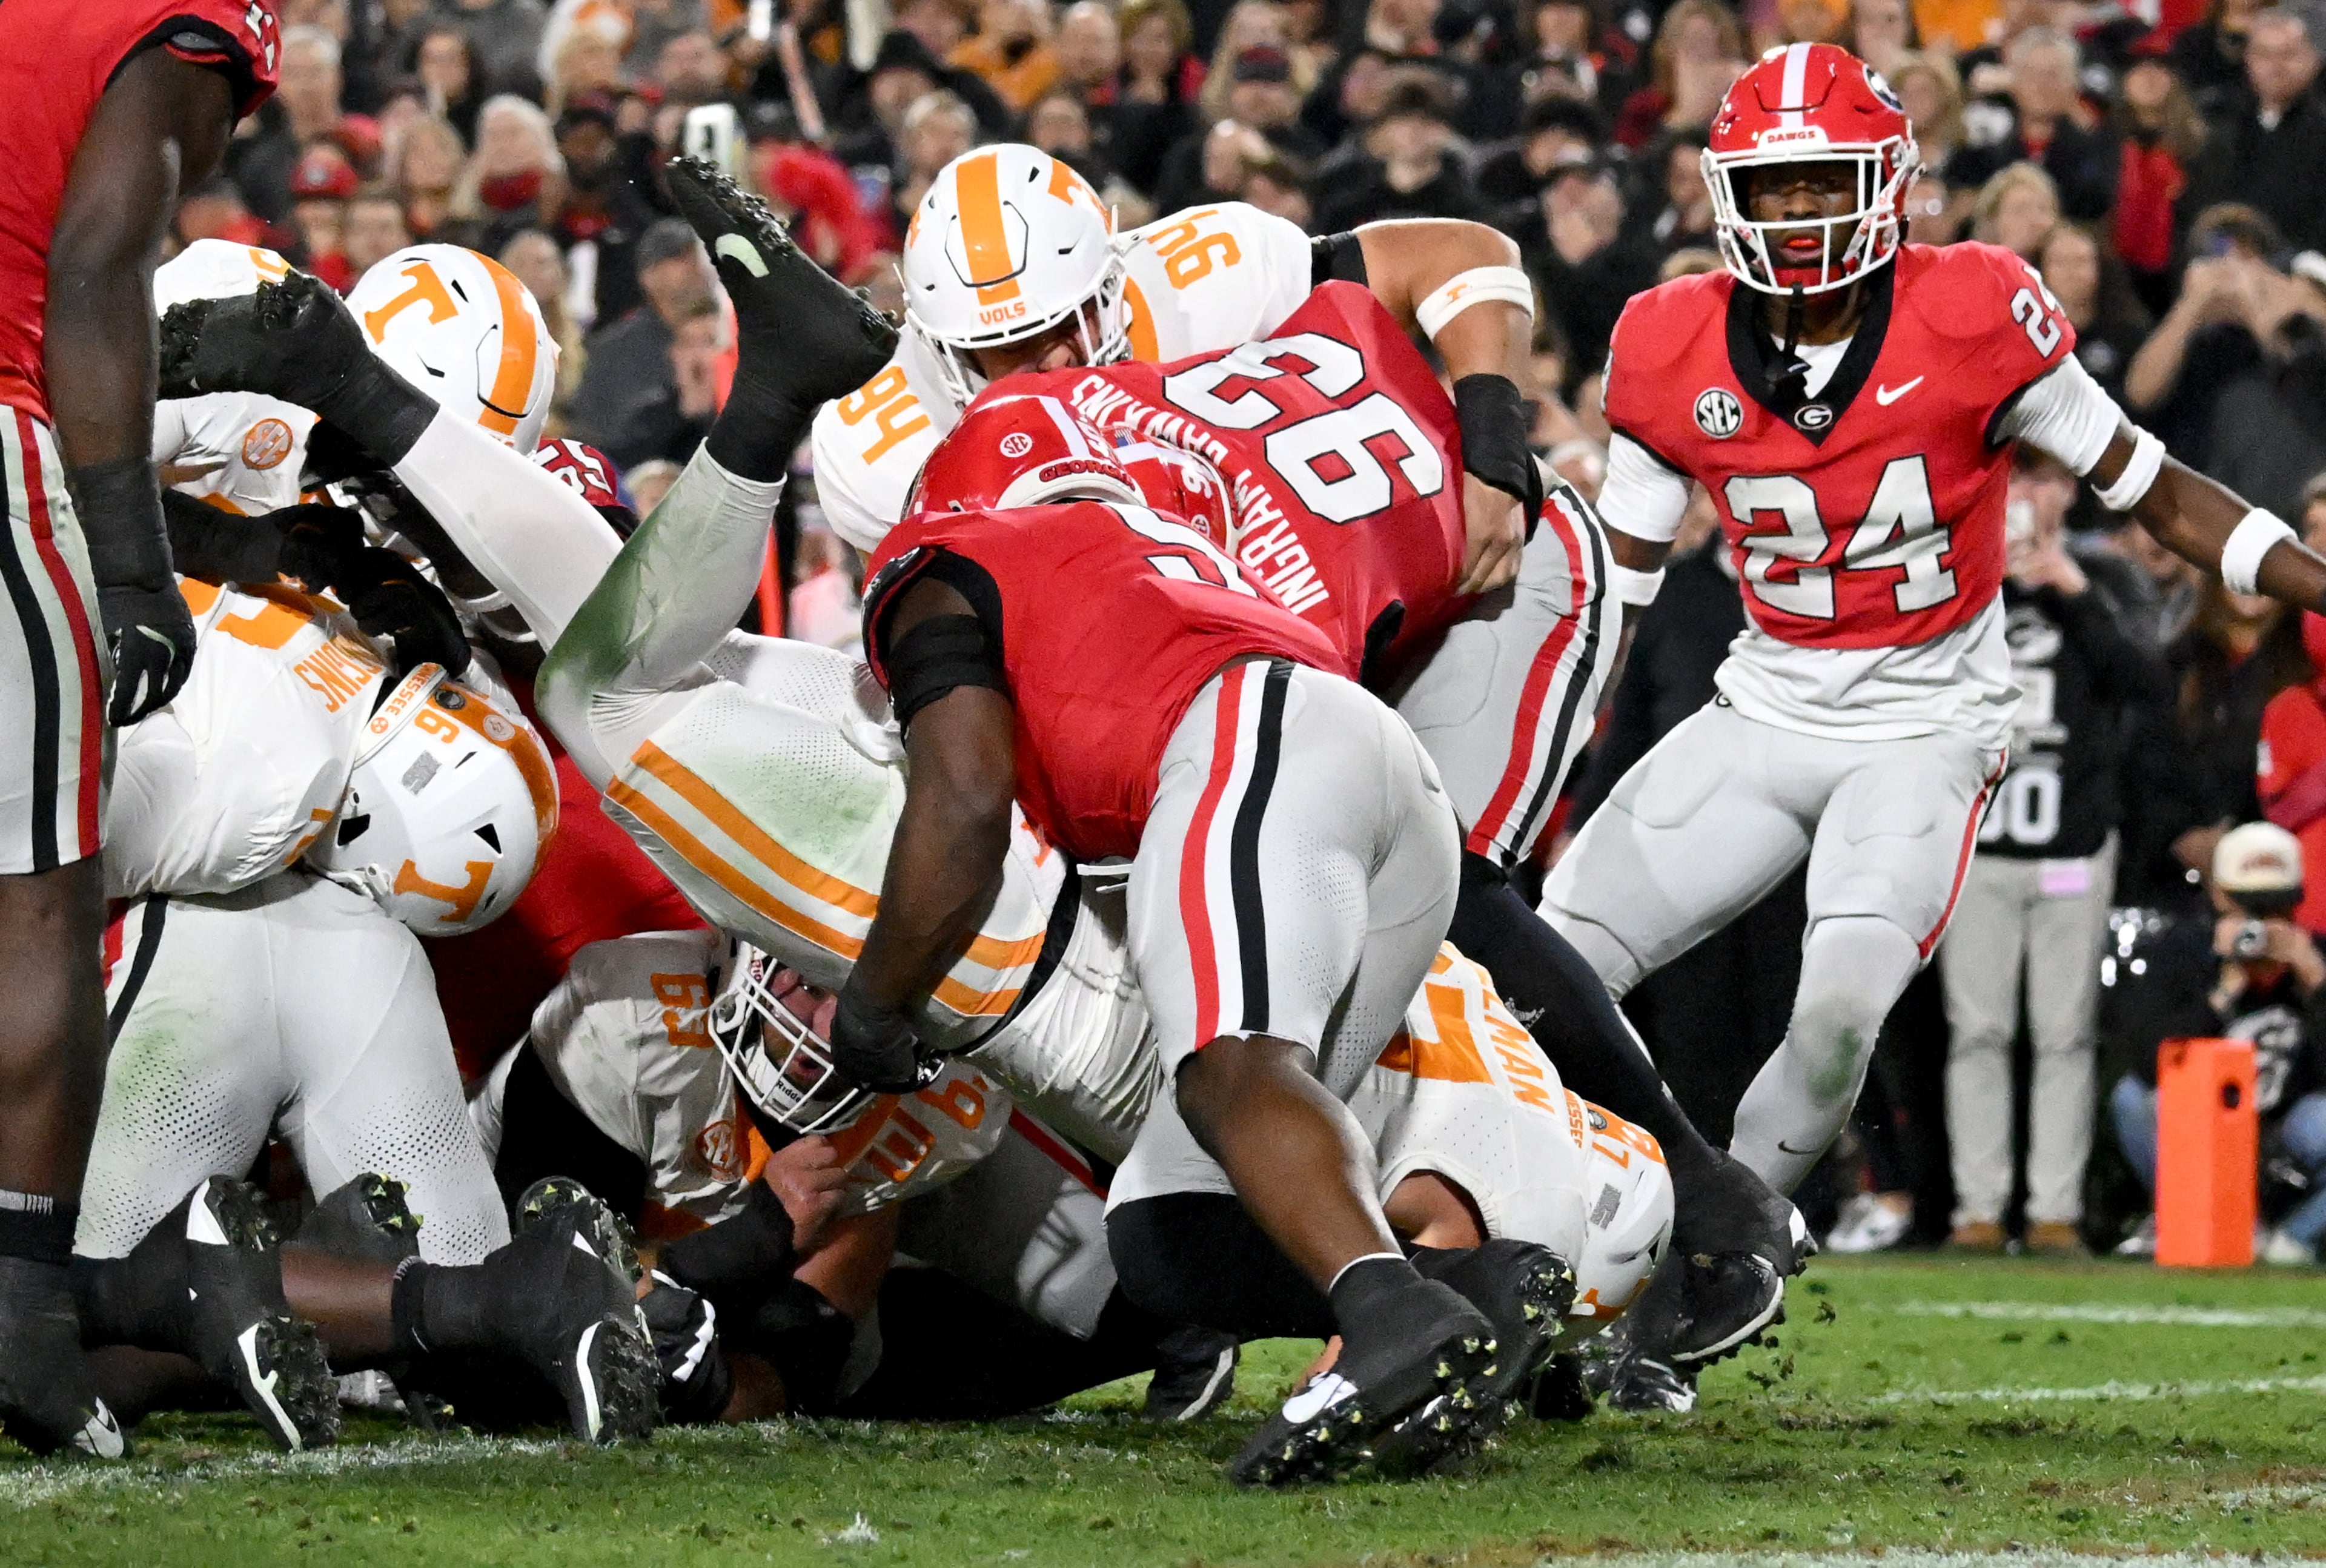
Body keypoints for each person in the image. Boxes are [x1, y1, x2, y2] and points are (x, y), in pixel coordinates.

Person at [821, 138, 1804, 1365]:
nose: (1045, 370)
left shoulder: (1204, 272)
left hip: (1478, 568)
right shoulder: (890, 444)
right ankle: (1475, 1256)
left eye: (1067, 332)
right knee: (1280, 932)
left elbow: (1459, 256)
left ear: (1115, 283)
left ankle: (1681, 1203)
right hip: (1285, 630)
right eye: (1002, 352)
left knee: (1441, 901)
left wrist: (1495, 450)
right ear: (932, 342)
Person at [1546, 42, 2326, 1409]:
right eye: (1769, 191)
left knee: (1841, 1006)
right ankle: (1521, 1250)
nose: (1794, 220)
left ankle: (1702, 1278)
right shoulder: (1664, 340)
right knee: (1541, 967)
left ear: (1891, 187)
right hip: (1765, 699)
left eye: (1818, 187)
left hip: (1924, 724)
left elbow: (2155, 489)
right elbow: (1617, 580)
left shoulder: (1976, 310)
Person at [853, 386, 1562, 1486]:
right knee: (1166, 1223)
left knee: (1233, 1070)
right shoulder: (1155, 535)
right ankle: (1467, 1293)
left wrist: (875, 1000)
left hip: (1250, 740)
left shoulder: (947, 552)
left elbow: (963, 807)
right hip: (1380, 775)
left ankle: (1388, 1320)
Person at [0, 0, 285, 1460]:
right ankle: (26, 1311)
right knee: (44, 893)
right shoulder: (172, 30)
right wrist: (128, 553)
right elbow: (101, 260)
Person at [1935, 451, 2171, 1257]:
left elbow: (2150, 684)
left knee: (2065, 1033)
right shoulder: (1957, 574)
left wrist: (2071, 592)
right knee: (1978, 1030)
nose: (2029, 495)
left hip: (2073, 842)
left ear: (2070, 491)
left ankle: (2054, 1209)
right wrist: (1988, 581)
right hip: (1983, 843)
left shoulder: (2103, 581)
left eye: (2043, 478)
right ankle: (1976, 1207)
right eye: (2017, 475)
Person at [2104, 822, 2326, 1264]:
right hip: (2204, 1132)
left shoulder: (2317, 957)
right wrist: (2222, 991)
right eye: (2251, 907)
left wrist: (2317, 986)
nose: (2264, 926)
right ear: (2222, 897)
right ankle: (2210, 1225)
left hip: (2289, 1129)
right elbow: (2152, 1062)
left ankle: (2294, 1240)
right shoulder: (2183, 953)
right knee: (2134, 1099)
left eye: (2276, 907)